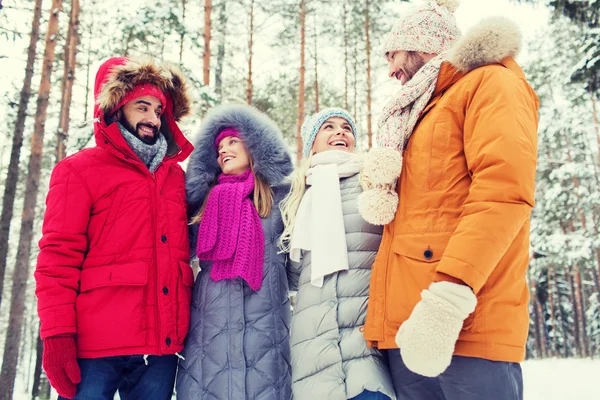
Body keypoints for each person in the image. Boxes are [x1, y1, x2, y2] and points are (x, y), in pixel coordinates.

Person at [359, 1, 540, 399]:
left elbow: (503, 193)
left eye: (394, 54)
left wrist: (446, 299)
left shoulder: (490, 83)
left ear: (421, 44)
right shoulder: (417, 115)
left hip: (463, 322)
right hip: (406, 332)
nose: (390, 70)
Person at [34, 56, 194, 399]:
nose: (153, 117)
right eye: (142, 106)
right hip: (95, 351)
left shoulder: (176, 179)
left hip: (161, 350)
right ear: (115, 108)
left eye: (158, 109)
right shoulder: (78, 171)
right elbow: (58, 257)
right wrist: (57, 334)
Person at [176, 104, 294, 400]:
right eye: (218, 147)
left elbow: (298, 262)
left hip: (266, 328)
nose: (223, 151)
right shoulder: (203, 205)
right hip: (210, 330)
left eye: (232, 141)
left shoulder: (282, 197)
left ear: (254, 145)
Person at [279, 108, 395, 400]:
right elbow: (292, 276)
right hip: (312, 343)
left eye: (346, 128)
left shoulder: (373, 183)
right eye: (328, 127)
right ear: (311, 144)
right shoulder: (297, 195)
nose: (340, 132)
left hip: (366, 339)